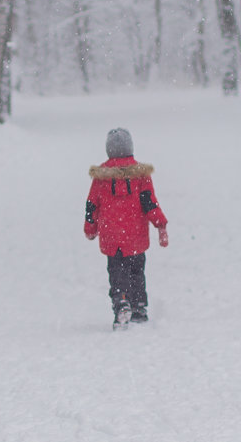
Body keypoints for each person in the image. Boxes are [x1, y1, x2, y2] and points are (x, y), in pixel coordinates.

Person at [84, 127, 168, 330]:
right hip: (135, 236)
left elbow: (91, 204)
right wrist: (160, 225)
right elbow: (150, 203)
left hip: (111, 236)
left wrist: (90, 226)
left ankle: (121, 302)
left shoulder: (101, 178)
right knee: (137, 271)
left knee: (117, 272)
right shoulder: (141, 176)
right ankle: (139, 308)